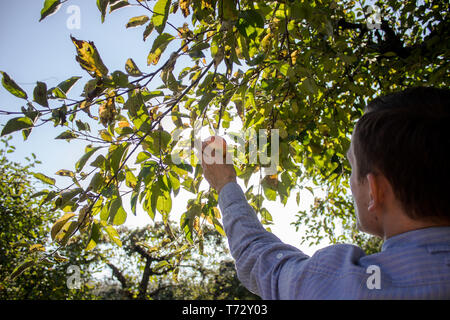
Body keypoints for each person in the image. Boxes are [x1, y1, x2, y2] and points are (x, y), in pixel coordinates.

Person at [200, 87, 450, 299]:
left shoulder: (345, 284)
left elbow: (261, 261)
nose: (351, 182)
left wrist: (225, 184)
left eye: (352, 167)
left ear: (376, 191)